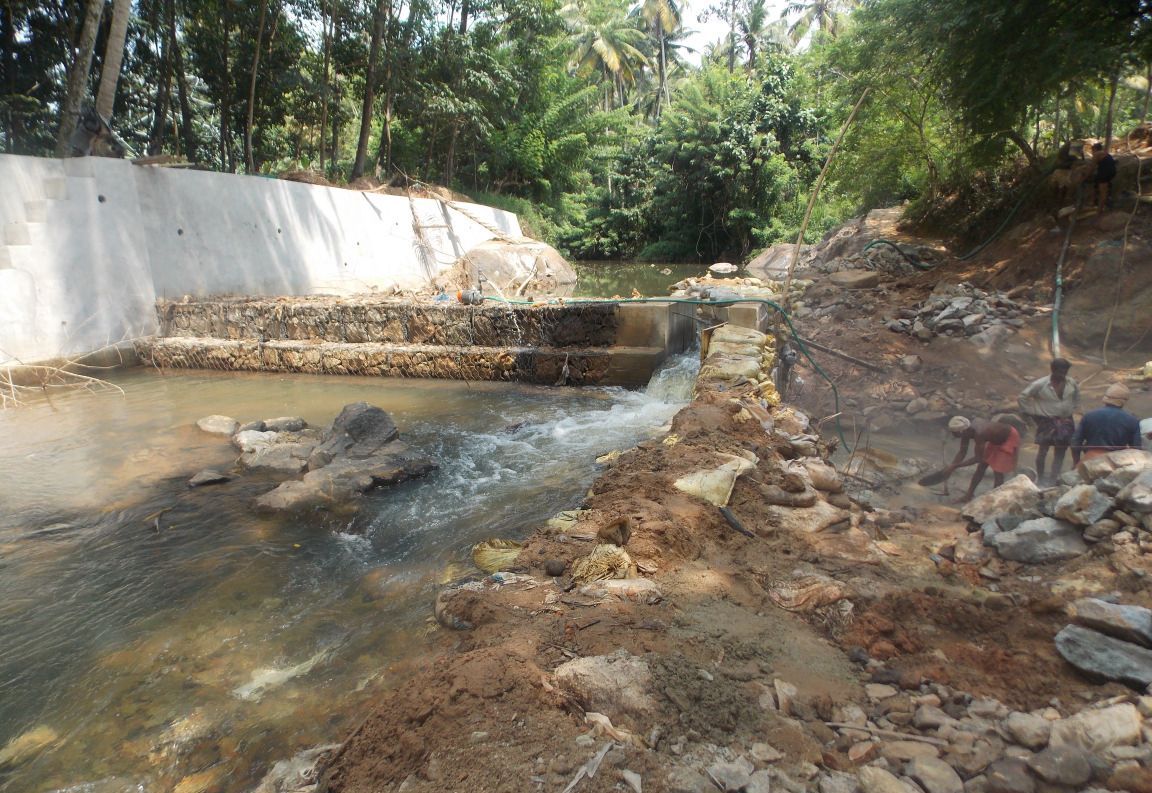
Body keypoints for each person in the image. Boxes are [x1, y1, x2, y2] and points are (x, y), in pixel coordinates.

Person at [1018, 358, 1080, 484]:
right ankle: (1040, 477)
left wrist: (1071, 409)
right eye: (1061, 371)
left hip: (1066, 421)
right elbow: (1022, 397)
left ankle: (1053, 477)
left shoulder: (1071, 383)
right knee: (1043, 451)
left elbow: (1076, 397)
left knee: (1061, 450)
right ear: (1053, 370)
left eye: (1065, 371)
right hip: (1046, 421)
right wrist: (1031, 413)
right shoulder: (1040, 384)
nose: (1063, 374)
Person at [945, 415, 1021, 501]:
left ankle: (996, 499)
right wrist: (951, 466)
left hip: (1008, 438)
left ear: (961, 431)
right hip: (995, 439)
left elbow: (978, 458)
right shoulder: (966, 429)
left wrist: (956, 466)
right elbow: (962, 451)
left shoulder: (979, 433)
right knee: (981, 467)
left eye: (954, 433)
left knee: (997, 471)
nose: (953, 435)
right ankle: (969, 495)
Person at [1071, 383, 1142, 463]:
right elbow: (1136, 450)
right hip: (1116, 463)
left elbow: (1075, 442)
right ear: (1124, 401)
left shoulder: (1088, 416)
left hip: (1089, 461)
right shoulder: (1132, 421)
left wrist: (1076, 463)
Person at [1091, 142, 1117, 213]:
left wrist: (1084, 176)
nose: (1092, 152)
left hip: (1105, 173)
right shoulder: (1105, 153)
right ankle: (1093, 203)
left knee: (1103, 193)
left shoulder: (1097, 154)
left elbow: (1091, 168)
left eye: (1092, 150)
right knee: (1095, 183)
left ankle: (1099, 211)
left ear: (1095, 149)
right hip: (1111, 172)